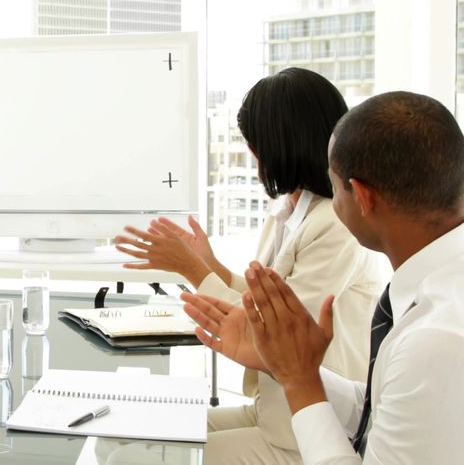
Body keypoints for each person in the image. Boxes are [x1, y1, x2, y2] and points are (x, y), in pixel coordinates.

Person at [115, 67, 388, 464]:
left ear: (280, 143)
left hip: (306, 434)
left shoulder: (335, 225)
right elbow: (264, 299)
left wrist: (192, 269)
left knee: (132, 460)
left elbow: (280, 334)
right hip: (273, 413)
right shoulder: (290, 212)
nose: (252, 155)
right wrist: (213, 267)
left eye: (254, 143)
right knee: (131, 433)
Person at [183, 91, 464, 463]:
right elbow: (381, 409)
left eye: (334, 188)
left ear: (363, 197)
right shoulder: (434, 293)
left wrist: (300, 381)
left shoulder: (436, 340)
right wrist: (295, 368)